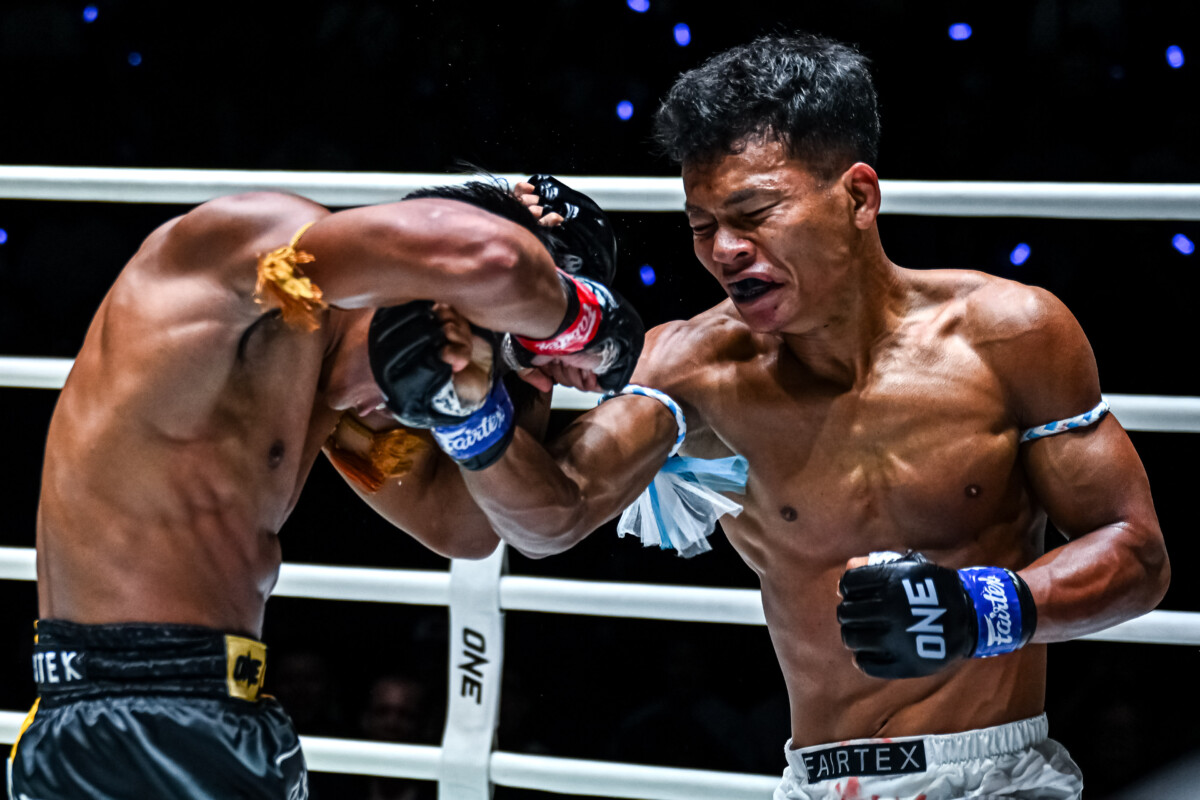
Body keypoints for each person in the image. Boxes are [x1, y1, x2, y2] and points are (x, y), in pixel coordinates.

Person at [408, 34, 1170, 799]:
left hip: (997, 778)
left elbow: (1138, 556)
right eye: (701, 225)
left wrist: (979, 610)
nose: (726, 250)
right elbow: (550, 519)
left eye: (755, 213)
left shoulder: (1009, 335)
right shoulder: (695, 367)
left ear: (858, 198)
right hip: (816, 784)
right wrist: (490, 373)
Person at [9, 176, 637, 799]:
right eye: (463, 353)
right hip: (143, 722)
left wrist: (510, 386)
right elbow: (494, 258)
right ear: (439, 298)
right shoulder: (250, 252)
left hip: (203, 709)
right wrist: (578, 322)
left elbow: (466, 529)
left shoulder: (332, 396)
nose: (427, 393)